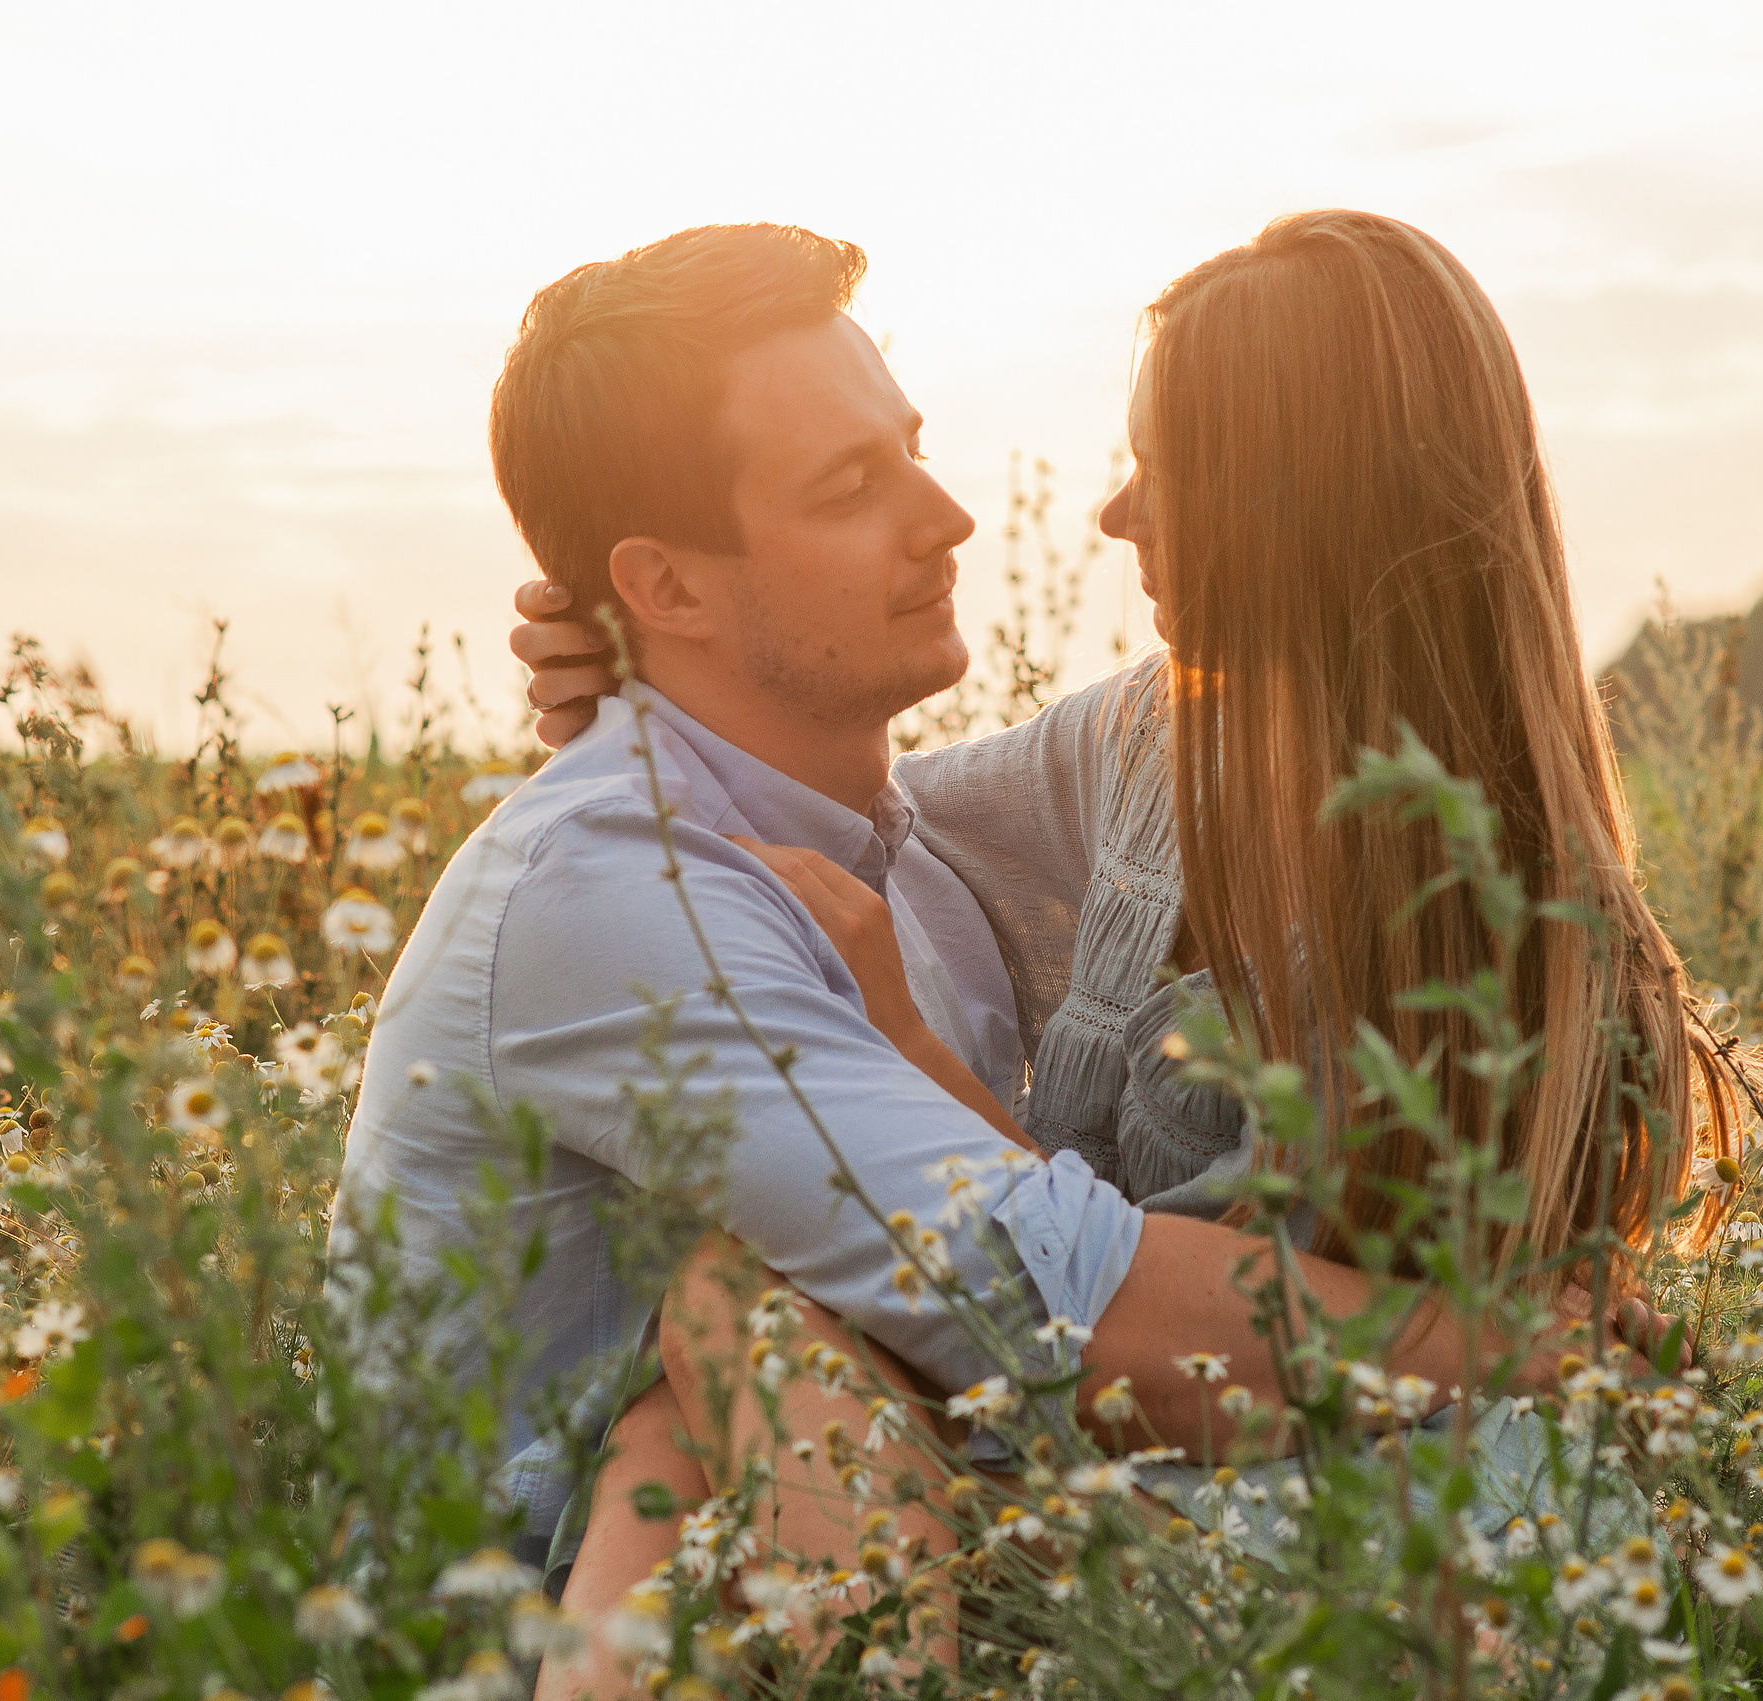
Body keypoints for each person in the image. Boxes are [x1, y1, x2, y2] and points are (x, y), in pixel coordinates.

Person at [337, 222, 1649, 1697]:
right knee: (734, 1312)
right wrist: (1489, 1339)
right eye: (853, 485)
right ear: (672, 583)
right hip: (520, 1617)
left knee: (743, 1311)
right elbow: (1040, 1287)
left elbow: (1030, 1283)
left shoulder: (938, 851)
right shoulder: (618, 887)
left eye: (910, 448)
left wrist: (647, 661)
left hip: (1270, 1486)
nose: (962, 516)